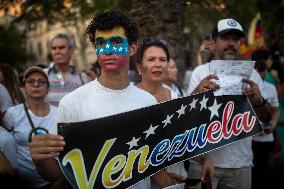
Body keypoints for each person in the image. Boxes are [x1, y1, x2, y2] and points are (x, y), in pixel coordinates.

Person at [29, 10, 161, 189]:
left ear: (132, 48)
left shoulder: (148, 102)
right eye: (101, 43)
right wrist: (40, 161)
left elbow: (151, 164)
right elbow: (59, 173)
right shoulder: (71, 103)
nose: (107, 50)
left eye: (115, 41)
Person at [186, 18, 272, 189]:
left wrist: (259, 100)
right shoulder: (200, 73)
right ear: (213, 43)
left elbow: (267, 117)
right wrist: (198, 93)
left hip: (241, 164)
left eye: (235, 39)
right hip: (204, 161)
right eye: (226, 38)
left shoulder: (252, 75)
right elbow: (187, 116)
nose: (231, 43)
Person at [136, 39, 214, 188]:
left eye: (163, 59)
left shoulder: (174, 96)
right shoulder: (130, 100)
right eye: (151, 59)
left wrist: (204, 159)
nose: (158, 64)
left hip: (179, 180)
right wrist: (160, 177)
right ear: (139, 67)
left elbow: (185, 138)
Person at [4, 66, 57, 188]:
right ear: (24, 87)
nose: (36, 84)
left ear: (48, 88)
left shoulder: (59, 113)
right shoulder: (12, 114)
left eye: (41, 81)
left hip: (53, 182)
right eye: (31, 81)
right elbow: (6, 147)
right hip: (23, 182)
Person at [252, 60, 280, 189]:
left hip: (267, 138)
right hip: (251, 140)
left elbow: (275, 110)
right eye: (256, 69)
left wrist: (273, 124)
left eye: (262, 69)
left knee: (264, 173)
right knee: (252, 175)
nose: (259, 73)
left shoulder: (270, 87)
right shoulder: (245, 87)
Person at [46, 33, 89, 106]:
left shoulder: (82, 78)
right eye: (54, 48)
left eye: (61, 47)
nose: (57, 51)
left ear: (71, 51)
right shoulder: (43, 76)